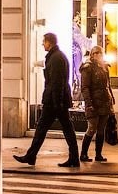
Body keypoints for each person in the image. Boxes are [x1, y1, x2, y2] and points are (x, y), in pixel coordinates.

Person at [13, 32, 81, 167]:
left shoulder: (56, 58)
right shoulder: (56, 56)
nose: (42, 44)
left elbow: (57, 82)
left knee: (45, 128)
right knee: (60, 129)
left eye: (44, 41)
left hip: (54, 101)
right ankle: (72, 157)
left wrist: (57, 102)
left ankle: (32, 156)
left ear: (49, 42)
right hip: (56, 100)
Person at [79, 45, 115, 163]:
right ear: (92, 55)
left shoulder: (104, 67)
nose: (98, 55)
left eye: (100, 53)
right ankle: (83, 154)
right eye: (96, 53)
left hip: (104, 102)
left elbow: (108, 85)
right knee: (91, 128)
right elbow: (85, 87)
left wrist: (111, 99)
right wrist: (89, 103)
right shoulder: (87, 68)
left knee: (101, 129)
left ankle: (98, 154)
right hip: (93, 102)